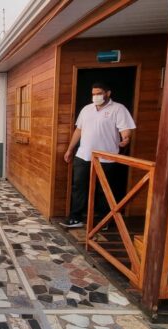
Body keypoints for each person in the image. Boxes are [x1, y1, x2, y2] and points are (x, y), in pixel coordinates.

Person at [60, 82, 136, 229]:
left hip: (106, 157)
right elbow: (78, 131)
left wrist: (125, 139)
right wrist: (70, 149)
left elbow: (125, 129)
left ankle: (104, 221)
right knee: (79, 187)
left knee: (104, 189)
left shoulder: (118, 109)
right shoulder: (86, 109)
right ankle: (76, 218)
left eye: (99, 93)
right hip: (83, 155)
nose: (96, 96)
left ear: (108, 93)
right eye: (93, 94)